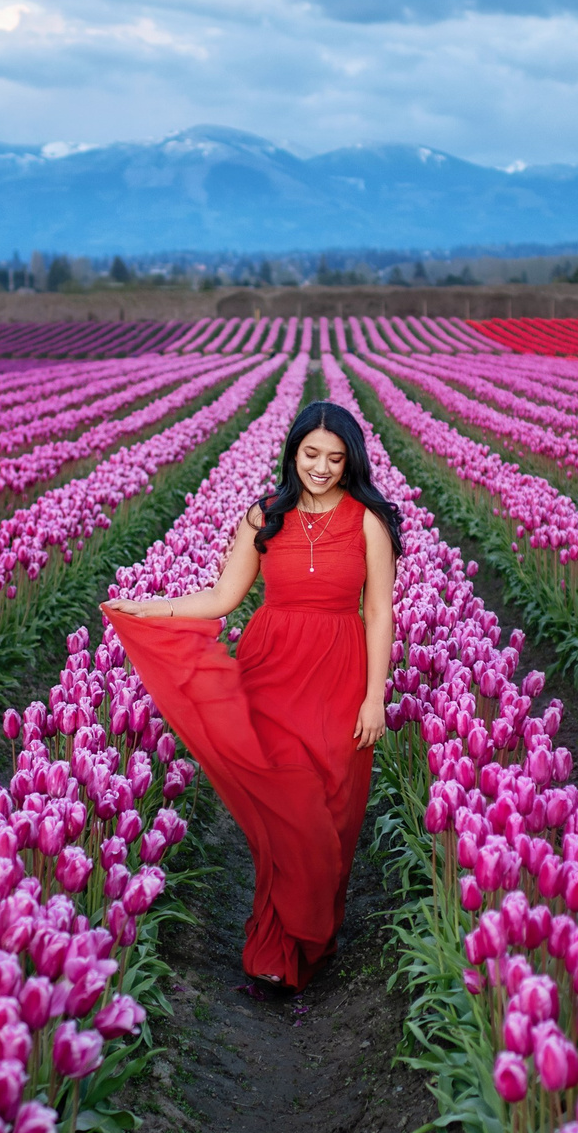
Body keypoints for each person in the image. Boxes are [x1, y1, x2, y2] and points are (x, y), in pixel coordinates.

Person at [101, 401, 402, 996]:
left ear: (351, 462)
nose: (321, 467)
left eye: (335, 458)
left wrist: (375, 697)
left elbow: (378, 612)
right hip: (270, 672)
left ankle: (314, 938)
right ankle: (271, 947)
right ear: (293, 452)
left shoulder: (368, 521)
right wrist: (150, 606)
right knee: (286, 813)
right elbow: (221, 598)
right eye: (311, 454)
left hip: (340, 675)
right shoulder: (263, 516)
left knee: (333, 814)